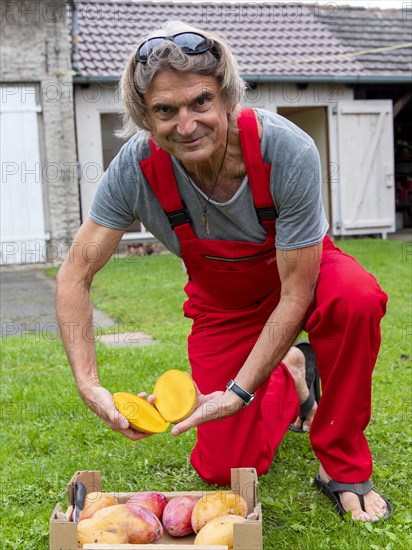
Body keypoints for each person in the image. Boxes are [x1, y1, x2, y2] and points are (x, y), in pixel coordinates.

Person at [56, 20, 392, 522]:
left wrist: (237, 392)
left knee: (355, 296)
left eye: (200, 102)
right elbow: (74, 274)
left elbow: (296, 294)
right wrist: (88, 382)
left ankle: (341, 465)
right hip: (225, 304)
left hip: (301, 278)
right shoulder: (133, 169)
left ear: (227, 98)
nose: (186, 124)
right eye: (165, 111)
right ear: (145, 119)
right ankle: (291, 372)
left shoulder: (286, 150)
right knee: (222, 467)